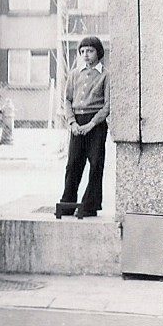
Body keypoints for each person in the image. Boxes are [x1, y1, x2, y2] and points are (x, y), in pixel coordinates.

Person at [60, 36, 110, 219]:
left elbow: (107, 105)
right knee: (73, 163)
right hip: (77, 122)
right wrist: (72, 122)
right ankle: (67, 203)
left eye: (90, 51)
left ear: (98, 52)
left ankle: (90, 204)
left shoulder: (105, 75)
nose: (86, 55)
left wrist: (91, 124)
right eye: (82, 51)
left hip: (95, 124)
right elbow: (67, 100)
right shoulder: (74, 74)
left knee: (96, 163)